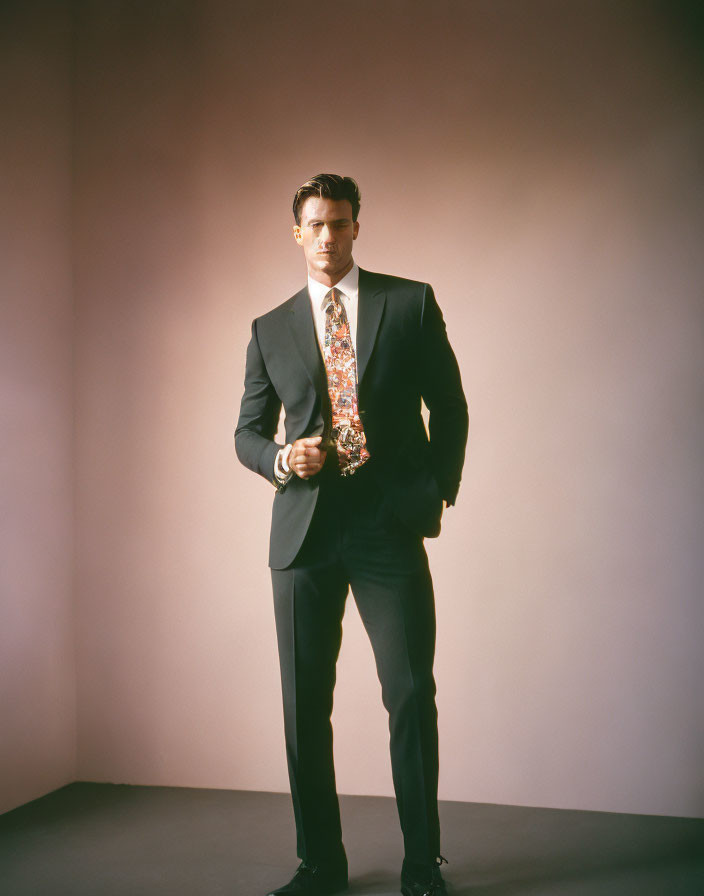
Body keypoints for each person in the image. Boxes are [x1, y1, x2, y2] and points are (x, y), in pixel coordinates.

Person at [234, 174, 468, 896]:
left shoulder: (410, 303)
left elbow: (450, 408)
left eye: (340, 222)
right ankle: (320, 864)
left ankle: (422, 864)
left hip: (386, 527)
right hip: (304, 532)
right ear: (297, 233)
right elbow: (246, 432)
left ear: (357, 226)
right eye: (316, 224)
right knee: (305, 706)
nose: (328, 236)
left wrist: (434, 494)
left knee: (409, 695)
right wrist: (280, 458)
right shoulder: (268, 328)